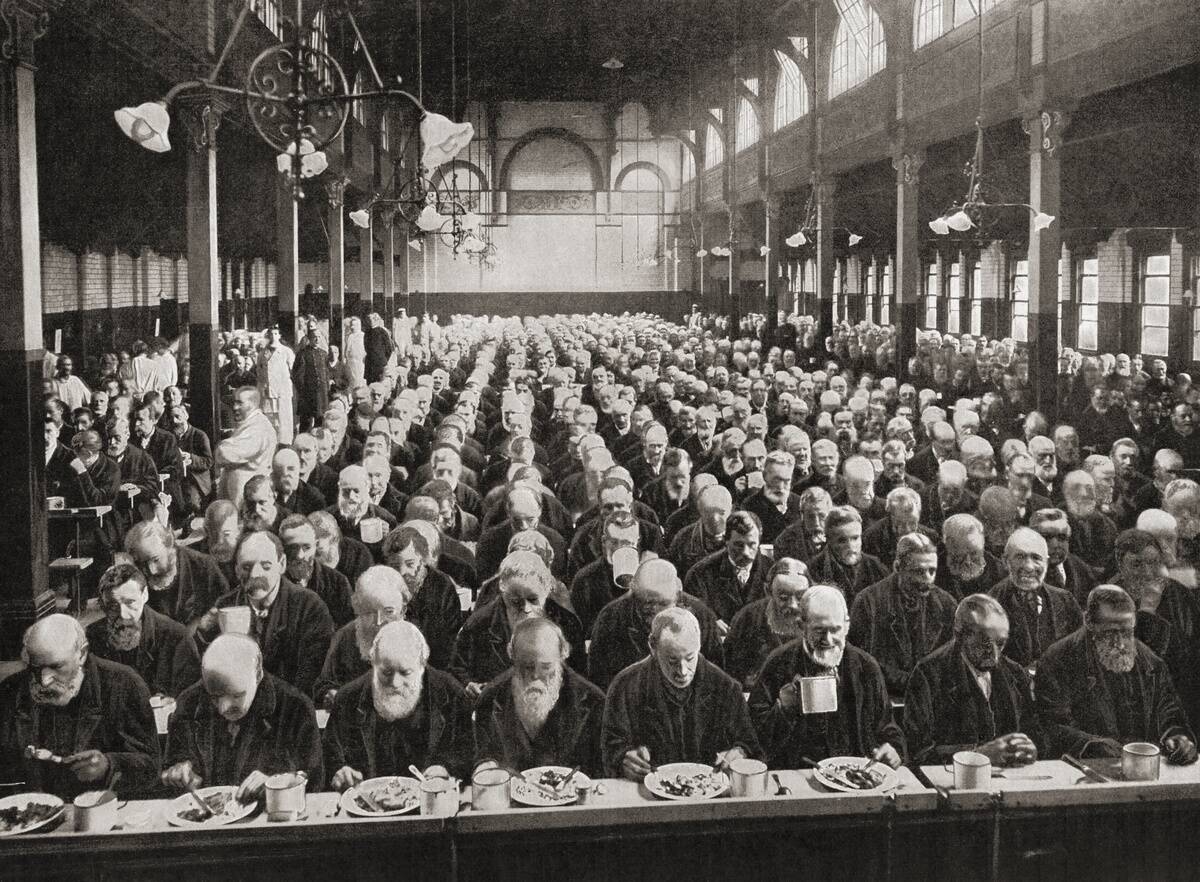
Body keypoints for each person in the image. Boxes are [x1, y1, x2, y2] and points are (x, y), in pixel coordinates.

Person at [0, 614, 160, 799]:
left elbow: (151, 768)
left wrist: (108, 765)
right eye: (35, 668)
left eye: (56, 666)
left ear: (82, 654)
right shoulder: (10, 691)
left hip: (101, 813)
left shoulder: (123, 684)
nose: (44, 680)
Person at [749, 585, 904, 771]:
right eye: (819, 631)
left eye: (835, 630)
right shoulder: (779, 662)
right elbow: (753, 737)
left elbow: (886, 726)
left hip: (855, 775)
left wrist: (894, 749)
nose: (828, 640)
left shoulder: (866, 666)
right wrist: (783, 709)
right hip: (796, 775)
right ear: (801, 626)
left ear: (847, 626)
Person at [1036, 586, 1197, 764]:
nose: (1120, 644)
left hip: (1143, 765)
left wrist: (1179, 738)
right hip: (1085, 767)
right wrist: (1091, 744)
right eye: (1111, 632)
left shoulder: (1151, 663)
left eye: (1127, 632)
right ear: (1089, 621)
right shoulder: (1058, 659)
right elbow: (1050, 725)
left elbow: (1170, 715)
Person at [602, 607, 762, 780]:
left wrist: (740, 753)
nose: (683, 671)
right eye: (672, 661)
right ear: (652, 647)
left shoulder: (725, 687)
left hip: (709, 791)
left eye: (690, 658)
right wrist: (623, 759)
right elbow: (611, 747)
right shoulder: (625, 685)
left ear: (699, 646)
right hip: (649, 791)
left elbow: (750, 744)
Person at [163, 634, 324, 797]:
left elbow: (315, 779)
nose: (223, 708)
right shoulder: (188, 703)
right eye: (214, 697)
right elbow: (171, 766)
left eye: (236, 696)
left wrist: (282, 782)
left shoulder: (296, 707)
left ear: (258, 675)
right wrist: (178, 771)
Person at [324, 621, 474, 788]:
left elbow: (468, 755)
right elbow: (330, 757)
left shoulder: (451, 694)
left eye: (405, 673)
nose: (395, 683)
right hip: (368, 804)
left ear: (422, 665)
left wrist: (447, 769)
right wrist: (340, 771)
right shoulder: (348, 698)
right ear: (373, 662)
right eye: (386, 672)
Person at [903, 594, 1039, 766]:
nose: (995, 655)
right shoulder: (928, 675)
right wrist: (979, 755)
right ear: (959, 635)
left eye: (1001, 644)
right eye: (986, 644)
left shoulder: (1015, 673)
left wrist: (1032, 748)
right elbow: (918, 754)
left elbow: (1034, 733)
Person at [197, 531, 334, 696]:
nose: (255, 574)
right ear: (236, 569)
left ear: (282, 564)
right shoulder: (225, 605)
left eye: (266, 566)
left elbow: (310, 676)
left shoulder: (310, 607)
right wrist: (204, 634)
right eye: (246, 567)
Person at [474, 617, 607, 777]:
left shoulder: (593, 701)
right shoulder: (490, 699)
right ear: (511, 654)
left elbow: (602, 770)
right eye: (527, 666)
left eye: (546, 667)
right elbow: (482, 754)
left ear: (563, 654)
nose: (535, 675)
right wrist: (485, 765)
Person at [450, 551, 586, 697]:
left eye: (533, 600)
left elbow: (579, 676)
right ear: (502, 592)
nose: (526, 609)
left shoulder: (567, 623)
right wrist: (468, 685)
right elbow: (457, 669)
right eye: (515, 602)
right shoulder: (479, 624)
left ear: (546, 592)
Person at [587, 558, 725, 690]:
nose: (657, 611)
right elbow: (600, 677)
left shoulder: (701, 616)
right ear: (634, 596)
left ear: (678, 594)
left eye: (664, 603)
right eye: (648, 605)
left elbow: (714, 672)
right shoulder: (611, 618)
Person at [849, 532, 957, 700]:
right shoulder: (868, 603)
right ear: (898, 568)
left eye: (932, 571)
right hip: (884, 697)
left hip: (933, 697)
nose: (928, 579)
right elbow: (860, 660)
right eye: (919, 572)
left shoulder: (946, 604)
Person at [85, 563, 200, 697]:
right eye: (112, 606)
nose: (123, 615)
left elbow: (192, 700)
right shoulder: (93, 635)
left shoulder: (177, 637)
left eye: (130, 602)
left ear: (145, 595)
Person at [314, 566, 410, 709]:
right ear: (358, 609)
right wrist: (330, 694)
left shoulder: (413, 639)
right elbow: (323, 684)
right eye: (369, 612)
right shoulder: (345, 636)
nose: (378, 622)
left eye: (389, 611)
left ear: (403, 610)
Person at [989, 527, 1083, 672]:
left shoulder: (1065, 600)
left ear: (1046, 562)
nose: (1028, 567)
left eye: (1036, 558)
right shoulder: (990, 603)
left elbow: (1079, 649)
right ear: (1005, 561)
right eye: (1020, 557)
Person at [725, 561, 809, 690]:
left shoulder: (817, 617)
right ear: (768, 591)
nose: (792, 605)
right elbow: (731, 669)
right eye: (783, 597)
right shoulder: (749, 617)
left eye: (800, 597)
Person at [125, 520, 229, 625]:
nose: (151, 570)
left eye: (156, 559)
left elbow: (225, 605)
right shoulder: (136, 579)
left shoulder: (202, 565)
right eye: (143, 563)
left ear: (169, 544)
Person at [683, 510, 770, 630]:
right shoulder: (700, 574)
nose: (745, 552)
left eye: (752, 545)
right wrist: (709, 622)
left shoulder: (772, 572)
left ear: (759, 541)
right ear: (726, 541)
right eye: (738, 545)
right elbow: (692, 615)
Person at [279, 514, 355, 628]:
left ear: (315, 546)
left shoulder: (338, 583)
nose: (300, 556)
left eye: (307, 547)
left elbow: (349, 630)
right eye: (292, 548)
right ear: (281, 549)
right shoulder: (273, 582)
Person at [805, 506, 889, 602]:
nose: (850, 546)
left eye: (855, 538)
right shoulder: (813, 569)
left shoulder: (876, 567)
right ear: (829, 540)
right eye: (842, 540)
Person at [216, 387, 278, 503]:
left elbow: (226, 453)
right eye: (234, 403)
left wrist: (221, 448)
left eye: (240, 403)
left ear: (253, 404)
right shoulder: (249, 424)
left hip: (249, 492)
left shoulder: (259, 427)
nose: (234, 407)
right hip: (238, 493)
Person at [257, 327, 296, 445]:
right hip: (268, 390)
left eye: (276, 333)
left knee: (284, 417)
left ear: (279, 335)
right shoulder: (263, 353)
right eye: (271, 334)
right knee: (270, 417)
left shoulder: (286, 351)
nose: (273, 336)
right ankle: (271, 442)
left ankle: (285, 442)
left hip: (282, 390)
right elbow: (259, 372)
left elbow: (293, 369)